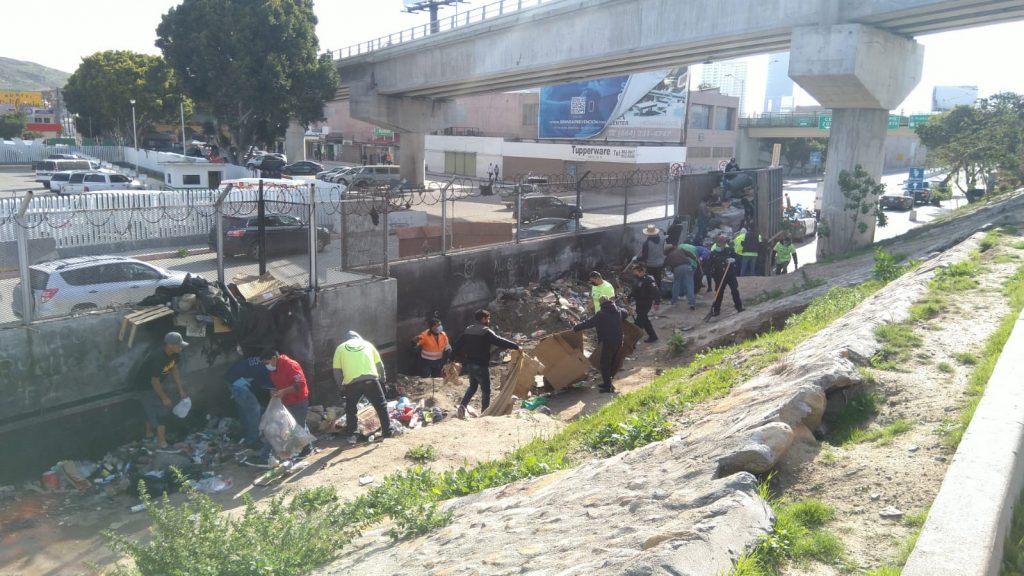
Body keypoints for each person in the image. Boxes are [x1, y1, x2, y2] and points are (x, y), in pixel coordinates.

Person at [451, 309, 520, 418]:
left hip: (470, 364)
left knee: (472, 387)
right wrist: (516, 346)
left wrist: (451, 358)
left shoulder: (468, 330)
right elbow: (499, 341)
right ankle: (484, 414)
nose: (489, 320)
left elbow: (458, 345)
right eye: (488, 318)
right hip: (481, 365)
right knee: (486, 390)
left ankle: (462, 406)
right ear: (483, 319)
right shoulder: (485, 331)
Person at [333, 331, 392, 444]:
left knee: (351, 409)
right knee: (381, 406)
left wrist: (341, 386)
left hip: (351, 383)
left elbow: (337, 372)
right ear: (358, 337)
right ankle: (387, 433)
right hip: (371, 380)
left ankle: (352, 436)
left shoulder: (340, 348)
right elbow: (379, 365)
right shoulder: (368, 344)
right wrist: (382, 380)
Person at [138, 332, 190, 449]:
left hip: (156, 384)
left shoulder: (175, 354)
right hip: (144, 387)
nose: (180, 347)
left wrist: (180, 389)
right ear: (169, 345)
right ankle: (161, 443)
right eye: (178, 345)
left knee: (151, 410)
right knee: (160, 412)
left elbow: (174, 369)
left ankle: (148, 434)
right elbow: (154, 381)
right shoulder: (158, 357)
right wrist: (164, 398)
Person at [262, 350, 314, 458]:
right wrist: (274, 391)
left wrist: (283, 391)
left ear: (274, 358)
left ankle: (306, 450)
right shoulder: (274, 370)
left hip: (298, 399)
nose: (266, 365)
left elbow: (300, 384)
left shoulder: (290, 365)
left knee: (298, 425)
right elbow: (277, 384)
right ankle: (306, 447)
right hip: (286, 401)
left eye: (267, 363)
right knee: (296, 425)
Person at [573, 297, 628, 393]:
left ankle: (608, 387)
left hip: (607, 342)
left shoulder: (601, 314)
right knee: (611, 362)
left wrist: (576, 328)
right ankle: (608, 383)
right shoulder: (618, 310)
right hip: (619, 341)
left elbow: (589, 323)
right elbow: (626, 313)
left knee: (605, 364)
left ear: (601, 304)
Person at [225, 354, 274, 450]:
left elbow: (261, 382)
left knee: (244, 408)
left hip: (233, 378)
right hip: (236, 382)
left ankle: (245, 432)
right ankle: (253, 440)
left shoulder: (261, 362)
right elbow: (265, 383)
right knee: (254, 409)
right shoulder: (264, 367)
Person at [709, 235, 744, 317]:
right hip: (719, 276)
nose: (720, 245)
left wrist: (734, 260)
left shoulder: (729, 251)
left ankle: (739, 307)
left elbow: (739, 258)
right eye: (718, 244)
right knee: (719, 293)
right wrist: (713, 276)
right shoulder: (713, 253)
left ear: (724, 244)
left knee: (734, 290)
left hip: (730, 274)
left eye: (722, 244)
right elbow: (709, 266)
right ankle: (716, 310)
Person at [629, 263, 660, 343]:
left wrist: (657, 302)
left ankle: (632, 339)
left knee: (639, 322)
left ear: (641, 271)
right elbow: (634, 290)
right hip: (639, 303)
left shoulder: (649, 279)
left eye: (636, 272)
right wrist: (629, 297)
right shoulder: (637, 279)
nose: (635, 274)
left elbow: (655, 291)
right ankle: (653, 336)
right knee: (645, 320)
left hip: (646, 303)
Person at [665, 243, 699, 310]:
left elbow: (668, 266)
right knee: (690, 285)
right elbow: (691, 254)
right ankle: (692, 303)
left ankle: (673, 301)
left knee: (676, 284)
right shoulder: (680, 250)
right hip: (688, 266)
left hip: (677, 268)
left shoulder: (668, 256)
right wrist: (695, 259)